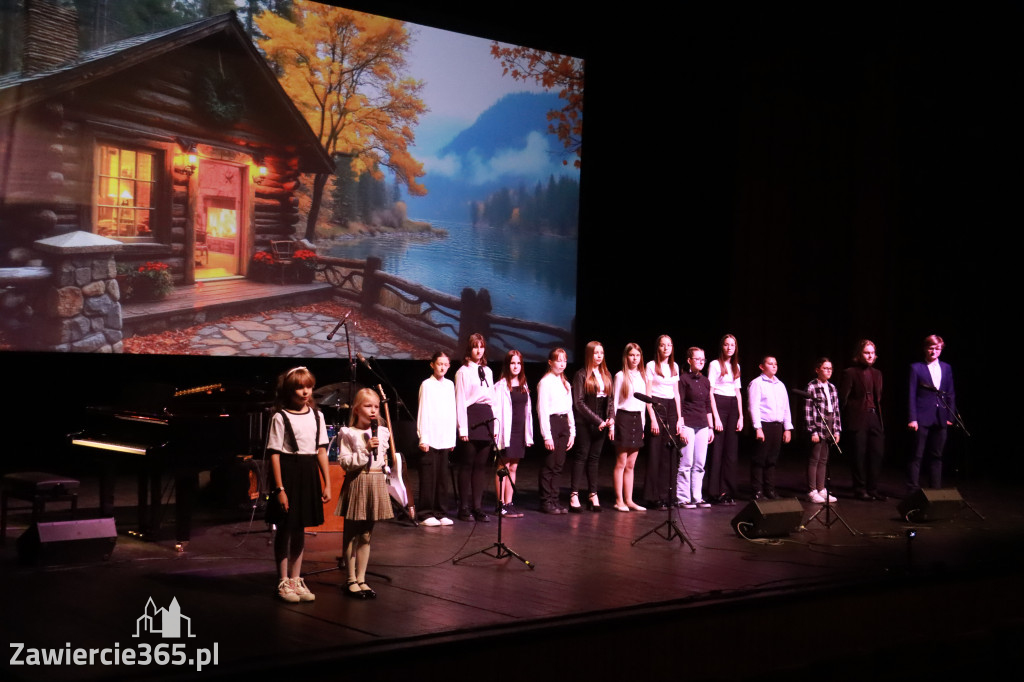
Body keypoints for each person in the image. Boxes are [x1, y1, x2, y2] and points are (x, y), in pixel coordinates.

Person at [266, 366, 331, 603]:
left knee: (301, 526)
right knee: (285, 528)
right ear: (289, 390)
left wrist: (327, 484)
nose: (305, 392)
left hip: (308, 472)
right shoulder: (280, 417)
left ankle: (295, 578)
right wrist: (280, 489)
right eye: (299, 387)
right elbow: (274, 454)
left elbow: (321, 450)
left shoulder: (317, 415)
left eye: (308, 387)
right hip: (289, 473)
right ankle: (283, 580)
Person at [335, 387, 394, 599]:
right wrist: (366, 449)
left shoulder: (383, 432)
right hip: (358, 481)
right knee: (351, 535)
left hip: (376, 481)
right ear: (357, 409)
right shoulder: (348, 433)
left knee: (367, 535)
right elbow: (345, 463)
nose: (373, 411)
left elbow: (383, 457)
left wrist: (385, 466)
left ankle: (362, 579)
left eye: (376, 407)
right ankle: (350, 579)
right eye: (368, 406)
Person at [454, 333, 497, 522]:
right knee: (467, 465)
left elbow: (492, 399)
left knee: (481, 466)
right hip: (471, 418)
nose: (479, 350)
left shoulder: (487, 371)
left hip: (486, 418)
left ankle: (477, 507)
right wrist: (462, 429)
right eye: (475, 347)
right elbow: (460, 401)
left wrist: (495, 425)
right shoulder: (463, 371)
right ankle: (463, 508)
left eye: (481, 346)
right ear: (469, 350)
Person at [907, 334, 956, 491]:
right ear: (925, 349)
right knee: (917, 454)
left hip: (941, 416)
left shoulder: (946, 368)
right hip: (922, 416)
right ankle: (913, 488)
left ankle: (935, 489)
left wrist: (950, 416)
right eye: (931, 348)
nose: (934, 351)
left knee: (937, 455)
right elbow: (911, 394)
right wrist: (912, 418)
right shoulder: (916, 368)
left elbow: (950, 393)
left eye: (937, 348)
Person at [570, 341, 614, 512]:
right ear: (589, 354)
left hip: (601, 424)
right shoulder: (581, 375)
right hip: (586, 423)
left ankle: (592, 493)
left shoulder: (606, 374)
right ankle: (574, 494)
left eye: (601, 353)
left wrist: (610, 418)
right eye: (596, 353)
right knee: (581, 456)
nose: (599, 356)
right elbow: (579, 403)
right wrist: (598, 421)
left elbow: (610, 400)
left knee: (595, 459)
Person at [840, 339, 886, 501]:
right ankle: (860, 489)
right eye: (866, 353)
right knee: (858, 455)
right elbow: (843, 399)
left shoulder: (877, 373)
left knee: (876, 453)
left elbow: (878, 397)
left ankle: (872, 488)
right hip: (858, 417)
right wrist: (846, 420)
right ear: (859, 354)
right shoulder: (850, 372)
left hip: (874, 416)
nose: (870, 356)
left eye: (872, 353)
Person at [416, 351, 457, 527]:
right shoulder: (426, 384)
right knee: (428, 477)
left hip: (444, 437)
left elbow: (451, 412)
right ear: (432, 365)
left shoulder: (449, 385)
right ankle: (425, 513)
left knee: (442, 478)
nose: (442, 367)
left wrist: (452, 438)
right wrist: (423, 437)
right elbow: (423, 411)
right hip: (430, 437)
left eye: (445, 364)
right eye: (439, 363)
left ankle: (440, 512)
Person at [644, 335, 683, 511]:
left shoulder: (674, 366)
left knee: (670, 453)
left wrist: (680, 418)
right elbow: (648, 394)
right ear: (658, 348)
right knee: (655, 453)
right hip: (657, 406)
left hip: (671, 410)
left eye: (669, 345)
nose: (666, 348)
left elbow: (676, 394)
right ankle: (653, 497)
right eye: (662, 345)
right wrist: (652, 417)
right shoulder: (651, 365)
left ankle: (669, 495)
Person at [609, 343, 649, 512]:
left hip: (637, 419)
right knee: (621, 462)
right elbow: (615, 403)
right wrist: (612, 426)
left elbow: (643, 405)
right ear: (626, 357)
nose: (634, 359)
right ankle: (619, 500)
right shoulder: (620, 376)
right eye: (631, 355)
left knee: (631, 464)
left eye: (637, 356)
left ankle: (629, 499)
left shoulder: (643, 376)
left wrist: (643, 426)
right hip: (623, 419)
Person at [747, 356, 793, 499]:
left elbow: (786, 408)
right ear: (762, 366)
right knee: (759, 459)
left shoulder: (780, 385)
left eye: (775, 364)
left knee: (772, 460)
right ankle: (757, 491)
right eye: (770, 363)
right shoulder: (757, 383)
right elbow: (753, 407)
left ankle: (770, 490)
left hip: (777, 426)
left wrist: (787, 428)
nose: (774, 366)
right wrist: (757, 428)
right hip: (764, 425)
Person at [536, 348, 576, 514]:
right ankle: (546, 501)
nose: (562, 363)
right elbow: (542, 410)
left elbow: (569, 409)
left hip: (563, 424)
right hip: (552, 423)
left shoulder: (565, 383)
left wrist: (572, 431)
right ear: (550, 362)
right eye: (558, 360)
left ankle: (555, 499)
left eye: (564, 360)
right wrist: (547, 436)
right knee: (549, 465)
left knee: (559, 466)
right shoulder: (545, 382)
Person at [495, 349, 533, 518]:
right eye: (512, 363)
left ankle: (509, 503)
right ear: (507, 365)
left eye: (518, 363)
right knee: (503, 467)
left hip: (519, 431)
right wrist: (496, 434)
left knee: (514, 467)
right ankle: (500, 504)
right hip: (506, 431)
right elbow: (496, 412)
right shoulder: (500, 386)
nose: (516, 366)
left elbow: (528, 412)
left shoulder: (524, 385)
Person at [706, 334, 743, 505]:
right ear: (722, 347)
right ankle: (714, 492)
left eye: (732, 345)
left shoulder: (736, 366)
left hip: (732, 406)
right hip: (719, 404)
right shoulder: (714, 364)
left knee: (731, 452)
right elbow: (710, 392)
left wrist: (741, 416)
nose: (729, 348)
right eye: (727, 345)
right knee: (718, 452)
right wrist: (716, 417)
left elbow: (737, 392)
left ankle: (727, 490)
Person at [677, 347, 714, 509]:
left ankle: (697, 497)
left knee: (699, 463)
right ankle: (683, 497)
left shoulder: (706, 381)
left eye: (703, 359)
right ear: (689, 360)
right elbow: (681, 403)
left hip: (703, 425)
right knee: (687, 462)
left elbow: (707, 405)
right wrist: (682, 426)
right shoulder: (683, 380)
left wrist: (711, 427)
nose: (700, 361)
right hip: (689, 424)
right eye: (697, 358)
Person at [804, 357, 841, 504]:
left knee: (824, 459)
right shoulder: (812, 386)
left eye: (830, 368)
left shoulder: (832, 388)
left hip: (830, 423)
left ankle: (821, 489)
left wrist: (837, 430)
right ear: (817, 370)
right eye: (825, 368)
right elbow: (808, 410)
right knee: (815, 458)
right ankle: (812, 490)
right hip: (818, 425)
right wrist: (812, 430)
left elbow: (836, 410)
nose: (828, 371)